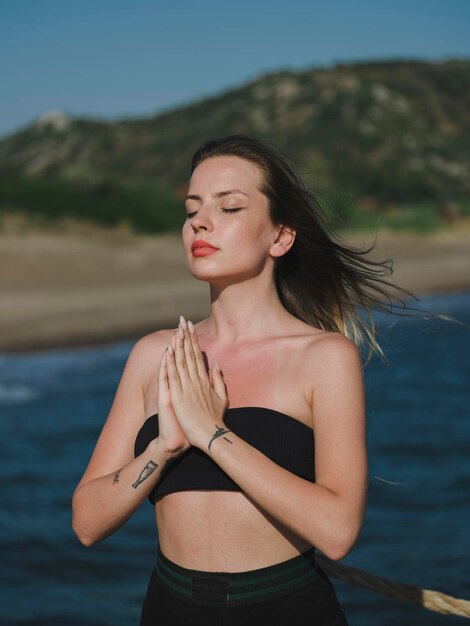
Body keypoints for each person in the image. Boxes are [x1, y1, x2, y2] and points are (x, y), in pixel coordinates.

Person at [72, 134, 411, 625]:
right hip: (168, 608)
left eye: (229, 207)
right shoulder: (155, 354)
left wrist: (212, 434)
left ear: (280, 236)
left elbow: (337, 532)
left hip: (286, 608)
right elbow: (86, 522)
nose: (200, 222)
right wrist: (161, 449)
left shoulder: (323, 356)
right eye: (192, 210)